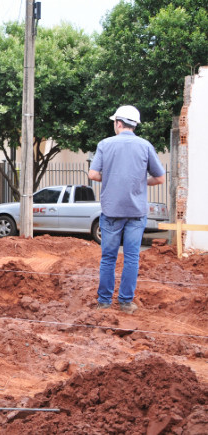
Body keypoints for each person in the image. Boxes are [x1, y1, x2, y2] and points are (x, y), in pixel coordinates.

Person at [88, 105, 165, 314]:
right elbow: (160, 178)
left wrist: (111, 178)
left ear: (118, 123)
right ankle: (126, 303)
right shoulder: (145, 146)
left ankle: (104, 301)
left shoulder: (105, 144)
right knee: (132, 257)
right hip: (136, 213)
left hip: (112, 212)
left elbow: (93, 174)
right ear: (134, 125)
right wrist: (140, 181)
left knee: (108, 258)